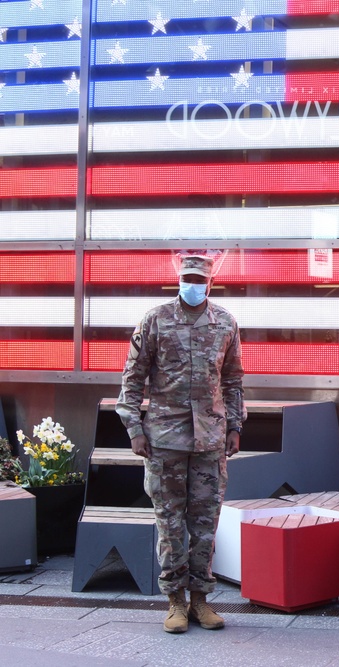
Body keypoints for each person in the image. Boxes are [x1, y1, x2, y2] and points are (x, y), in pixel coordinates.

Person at [117, 254, 246, 634]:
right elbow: (132, 379)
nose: (192, 283)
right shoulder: (155, 319)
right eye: (187, 276)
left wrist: (235, 427)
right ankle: (175, 601)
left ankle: (201, 600)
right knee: (170, 522)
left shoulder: (225, 322)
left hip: (210, 439)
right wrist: (134, 429)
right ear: (179, 278)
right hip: (164, 438)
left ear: (209, 282)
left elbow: (234, 380)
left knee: (205, 522)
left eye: (199, 278)